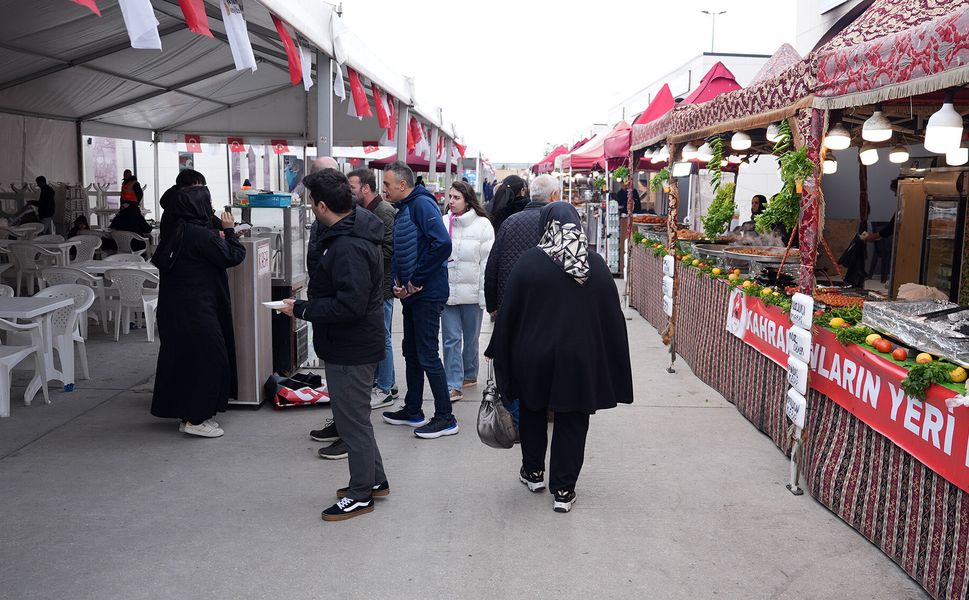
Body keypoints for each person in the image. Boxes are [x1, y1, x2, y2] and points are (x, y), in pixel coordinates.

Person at [485, 202, 633, 513]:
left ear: (546, 226)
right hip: (578, 358)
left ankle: (533, 472)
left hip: (533, 355)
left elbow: (509, 312)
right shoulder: (595, 264)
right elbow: (612, 316)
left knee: (532, 410)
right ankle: (564, 490)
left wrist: (496, 348)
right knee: (573, 419)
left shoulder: (529, 262)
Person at [280, 169, 388, 522]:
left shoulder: (348, 245)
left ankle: (360, 494)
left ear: (322, 206)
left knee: (352, 423)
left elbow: (349, 306)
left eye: (312, 203)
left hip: (352, 346)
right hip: (351, 343)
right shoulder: (351, 234)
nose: (311, 208)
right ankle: (374, 481)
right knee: (357, 420)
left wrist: (302, 309)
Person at [150, 170, 246, 438]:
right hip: (197, 308)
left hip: (176, 307)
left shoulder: (178, 227)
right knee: (210, 359)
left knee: (186, 362)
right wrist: (230, 231)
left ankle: (189, 414)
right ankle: (196, 419)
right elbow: (233, 255)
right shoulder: (199, 235)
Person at [379, 161, 458, 439]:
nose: (384, 189)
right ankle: (413, 409)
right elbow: (401, 250)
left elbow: (442, 244)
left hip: (427, 294)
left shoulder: (422, 205)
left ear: (402, 185)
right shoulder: (405, 207)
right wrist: (398, 282)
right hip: (412, 294)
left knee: (427, 354)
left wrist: (416, 280)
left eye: (387, 184)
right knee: (411, 352)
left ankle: (445, 417)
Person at [483, 174, 562, 426]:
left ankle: (520, 415)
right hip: (549, 307)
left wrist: (493, 304)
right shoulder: (559, 224)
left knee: (515, 359)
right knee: (548, 359)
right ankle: (547, 408)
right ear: (553, 196)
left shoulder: (510, 222)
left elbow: (493, 265)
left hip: (511, 304)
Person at [441, 181, 494, 402]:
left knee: (471, 339)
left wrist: (484, 295)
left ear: (468, 200)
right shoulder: (444, 221)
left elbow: (487, 262)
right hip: (447, 292)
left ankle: (469, 373)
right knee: (451, 339)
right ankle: (452, 384)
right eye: (450, 197)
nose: (451, 201)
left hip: (471, 293)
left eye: (456, 197)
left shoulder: (483, 225)